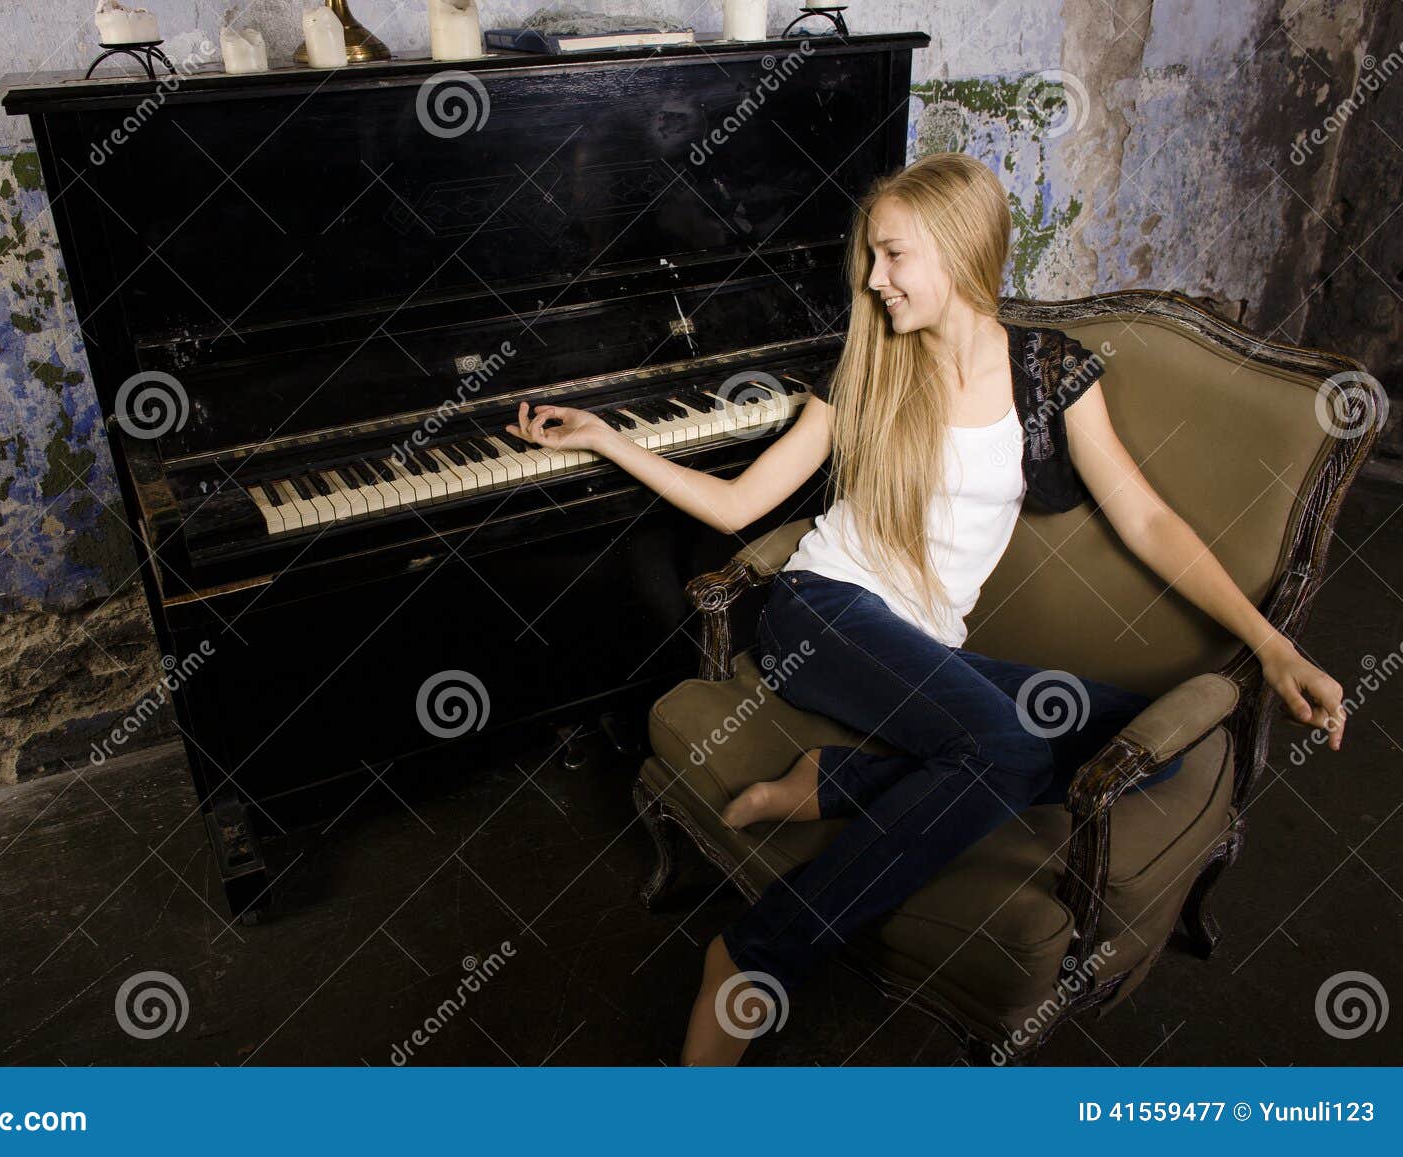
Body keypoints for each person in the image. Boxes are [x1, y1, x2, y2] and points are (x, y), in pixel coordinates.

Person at [503, 152, 1348, 1066]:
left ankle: (836, 781)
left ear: (958, 250)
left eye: (894, 256)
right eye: (872, 255)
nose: (874, 279)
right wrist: (606, 437)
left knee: (1143, 743)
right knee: (1006, 746)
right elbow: (740, 506)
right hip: (821, 612)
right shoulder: (869, 366)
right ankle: (752, 956)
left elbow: (1144, 516)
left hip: (922, 647)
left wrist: (1270, 645)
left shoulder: (1049, 373)